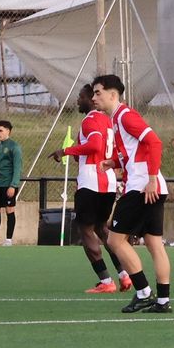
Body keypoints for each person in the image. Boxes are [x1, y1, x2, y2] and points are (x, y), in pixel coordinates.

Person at [93, 74, 174, 313]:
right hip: (152, 186)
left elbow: (154, 143)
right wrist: (113, 163)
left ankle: (144, 292)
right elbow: (135, 151)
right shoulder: (117, 119)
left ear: (112, 94)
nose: (94, 97)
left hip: (142, 187)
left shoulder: (125, 116)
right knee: (153, 243)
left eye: (98, 92)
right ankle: (162, 301)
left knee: (115, 240)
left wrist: (150, 180)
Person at [51, 83, 132, 294]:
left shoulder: (89, 121)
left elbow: (95, 145)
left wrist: (65, 150)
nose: (78, 100)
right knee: (102, 229)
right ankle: (124, 276)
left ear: (89, 99)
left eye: (81, 97)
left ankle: (106, 281)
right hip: (107, 181)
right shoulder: (107, 120)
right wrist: (77, 152)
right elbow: (101, 148)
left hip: (90, 182)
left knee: (86, 230)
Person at [0, 119, 23, 246]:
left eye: (1, 130)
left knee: (9, 211)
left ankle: (9, 240)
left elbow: (17, 168)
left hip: (8, 185)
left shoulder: (15, 147)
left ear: (8, 131)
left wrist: (13, 185)